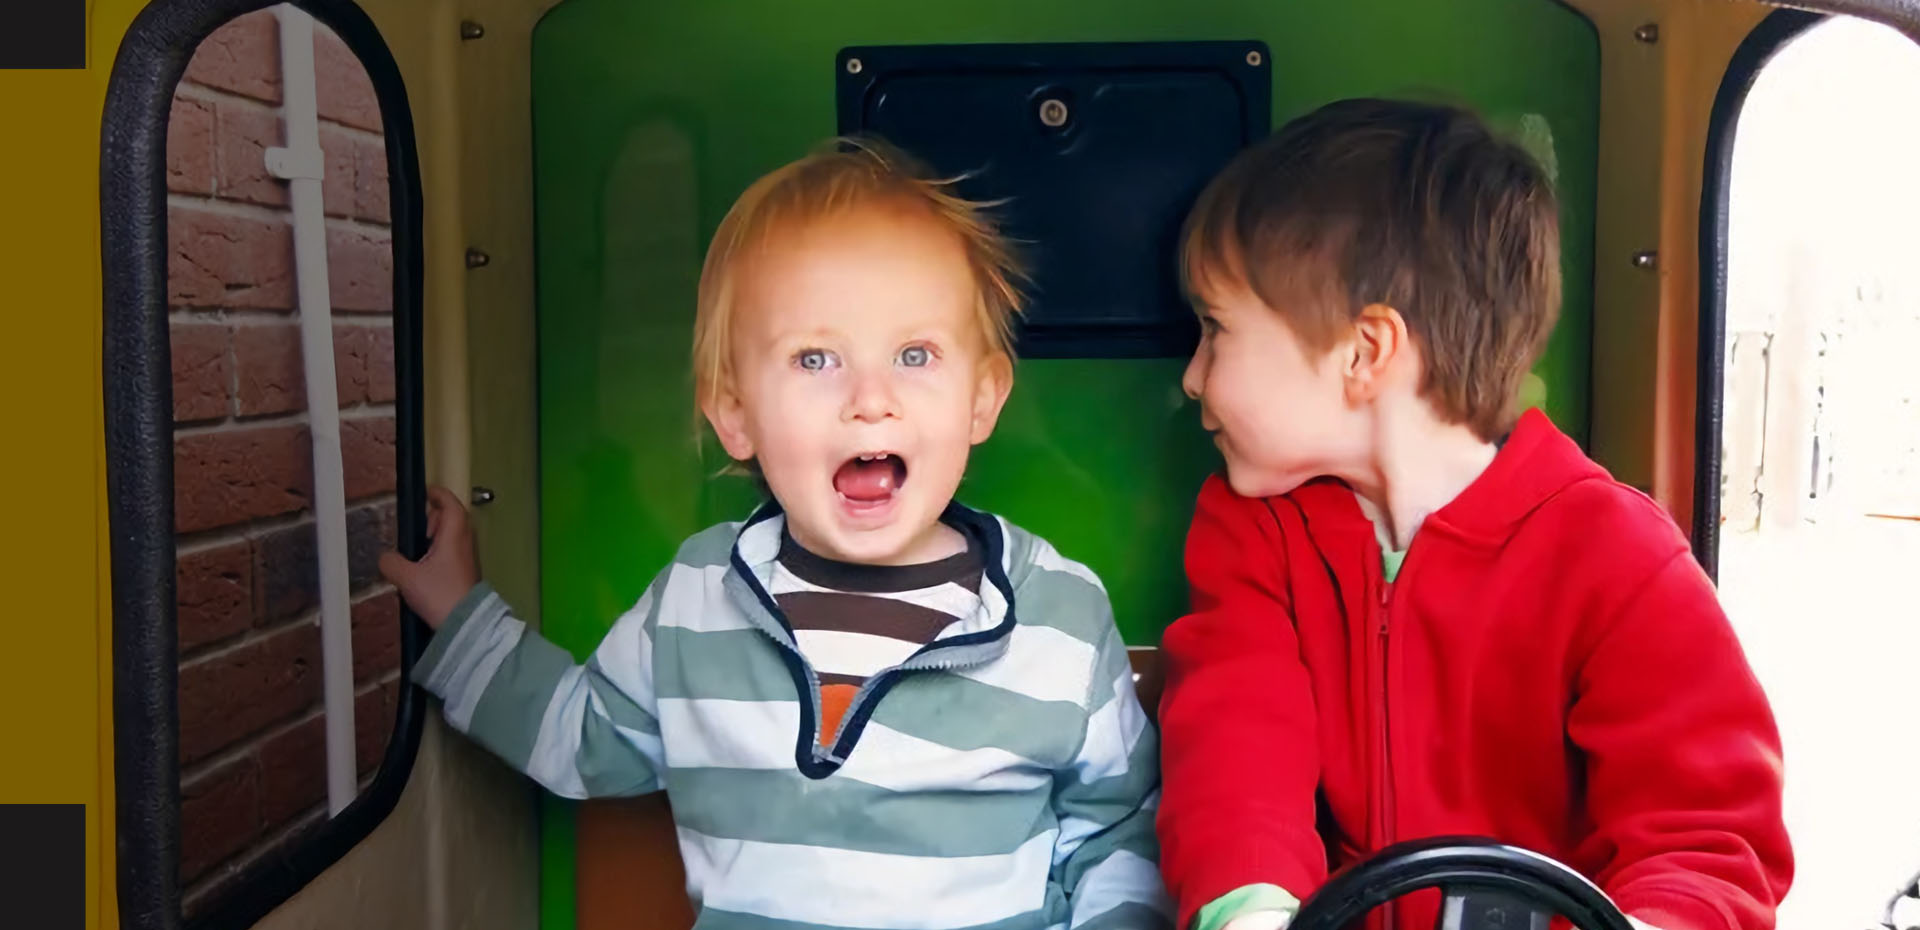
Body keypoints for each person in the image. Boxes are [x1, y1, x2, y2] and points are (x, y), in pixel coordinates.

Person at [381, 137, 1172, 930]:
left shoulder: (1057, 614)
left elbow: (1114, 829)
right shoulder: (697, 596)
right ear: (734, 414)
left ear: (983, 400)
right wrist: (462, 621)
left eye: (914, 354)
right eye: (815, 358)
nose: (871, 399)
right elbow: (582, 738)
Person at [1153, 98, 1793, 930]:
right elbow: (1237, 750)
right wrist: (1249, 910)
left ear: (1363, 353)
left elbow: (1706, 834)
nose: (1193, 377)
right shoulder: (1256, 531)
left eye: (1214, 330)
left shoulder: (1615, 556)